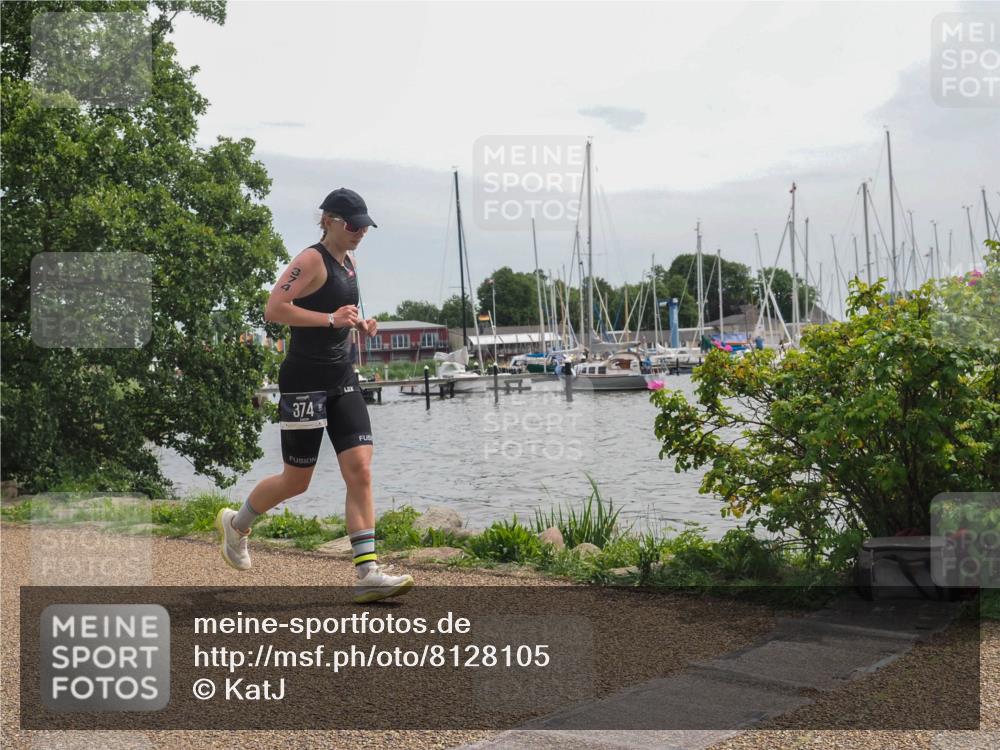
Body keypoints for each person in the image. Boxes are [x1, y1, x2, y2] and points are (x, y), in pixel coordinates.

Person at [214, 188, 413, 604]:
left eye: (365, 226)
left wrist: (358, 325)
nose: (361, 232)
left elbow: (339, 318)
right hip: (304, 379)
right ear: (330, 220)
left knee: (360, 469)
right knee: (296, 480)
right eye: (354, 225)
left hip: (342, 377)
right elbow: (273, 308)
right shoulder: (309, 260)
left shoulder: (350, 264)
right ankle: (237, 524)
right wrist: (330, 319)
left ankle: (368, 572)